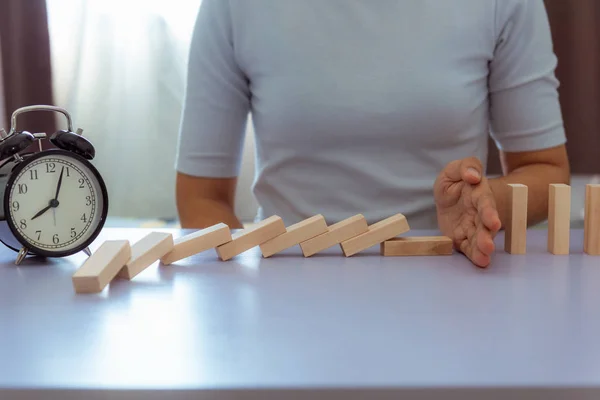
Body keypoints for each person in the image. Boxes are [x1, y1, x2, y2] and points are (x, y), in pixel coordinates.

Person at [174, 0, 570, 268]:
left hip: (452, 285)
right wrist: (247, 294)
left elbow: (546, 169)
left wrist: (486, 204)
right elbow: (201, 197)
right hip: (285, 289)